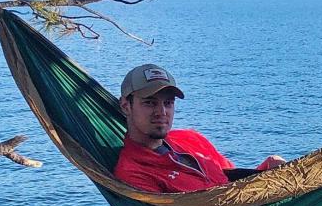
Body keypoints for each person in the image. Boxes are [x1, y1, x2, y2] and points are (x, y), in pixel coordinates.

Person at [113, 63, 286, 193]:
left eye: (168, 103)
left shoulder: (189, 138)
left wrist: (265, 171)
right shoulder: (133, 172)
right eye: (150, 103)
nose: (162, 112)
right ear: (126, 105)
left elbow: (227, 178)